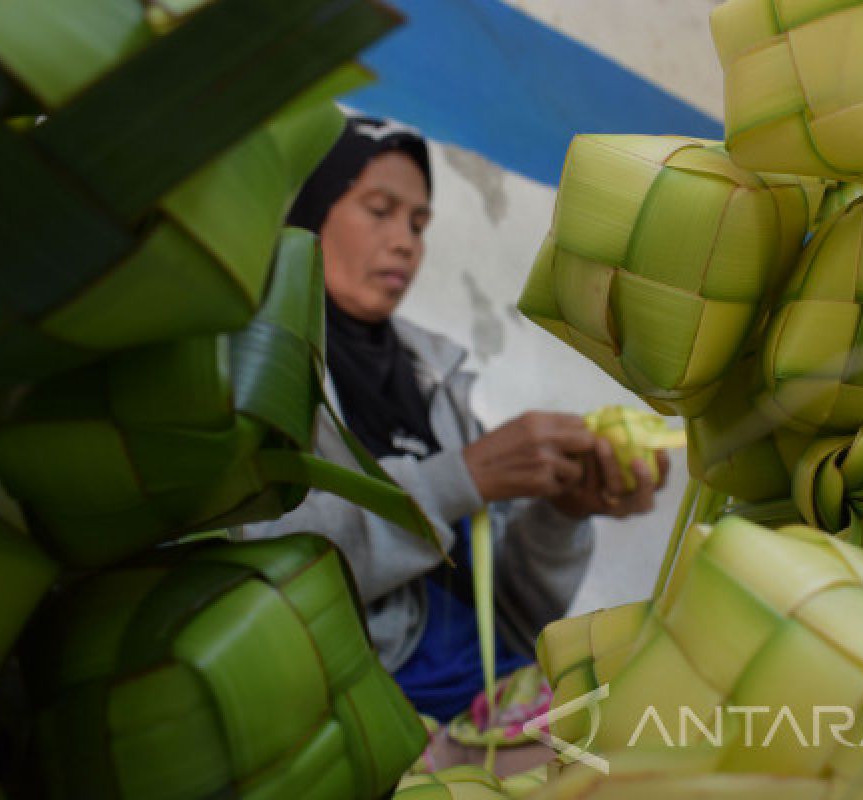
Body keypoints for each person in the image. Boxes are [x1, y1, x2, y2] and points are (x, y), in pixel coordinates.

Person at [242, 116, 669, 736]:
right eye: (379, 210)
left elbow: (511, 619)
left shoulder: (434, 384)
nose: (406, 242)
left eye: (418, 223)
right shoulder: (262, 366)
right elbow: (258, 563)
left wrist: (562, 514)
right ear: (311, 208)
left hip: (492, 698)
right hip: (360, 716)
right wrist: (454, 481)